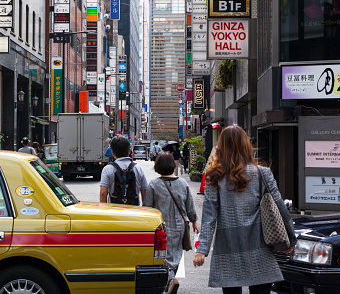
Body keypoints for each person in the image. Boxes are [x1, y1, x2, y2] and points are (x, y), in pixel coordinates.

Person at [193, 125, 296, 294]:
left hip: (228, 248)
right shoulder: (262, 173)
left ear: (222, 146)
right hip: (260, 246)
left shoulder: (214, 176)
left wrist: (202, 250)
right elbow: (280, 207)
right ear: (246, 146)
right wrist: (290, 239)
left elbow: (209, 217)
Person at [144, 152, 199, 294]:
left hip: (161, 228)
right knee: (175, 255)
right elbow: (190, 206)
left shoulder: (154, 185)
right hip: (179, 226)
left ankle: (169, 279)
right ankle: (171, 278)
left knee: (161, 256)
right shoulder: (183, 183)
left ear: (157, 167)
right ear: (172, 166)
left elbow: (147, 208)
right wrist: (194, 222)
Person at [99, 135, 148, 204]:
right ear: (129, 151)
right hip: (134, 212)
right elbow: (145, 192)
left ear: (112, 152)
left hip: (114, 211)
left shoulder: (108, 169)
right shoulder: (138, 168)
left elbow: (103, 193)